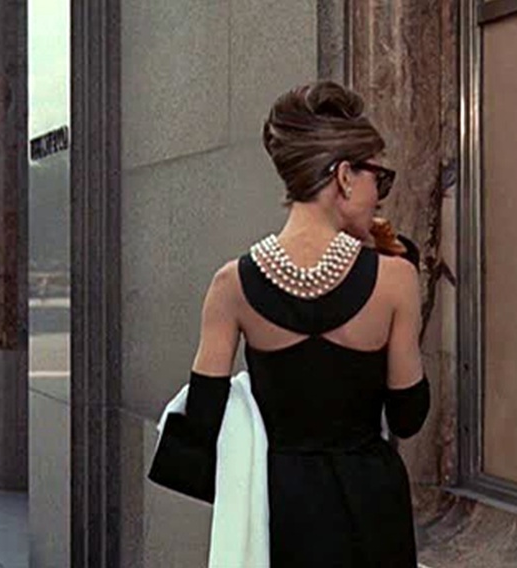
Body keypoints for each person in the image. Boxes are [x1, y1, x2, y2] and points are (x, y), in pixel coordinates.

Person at [148, 80, 430, 567]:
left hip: (280, 510)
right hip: (372, 507)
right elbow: (409, 416)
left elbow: (201, 425)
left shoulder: (231, 286)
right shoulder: (394, 279)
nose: (379, 196)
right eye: (378, 179)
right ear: (345, 176)